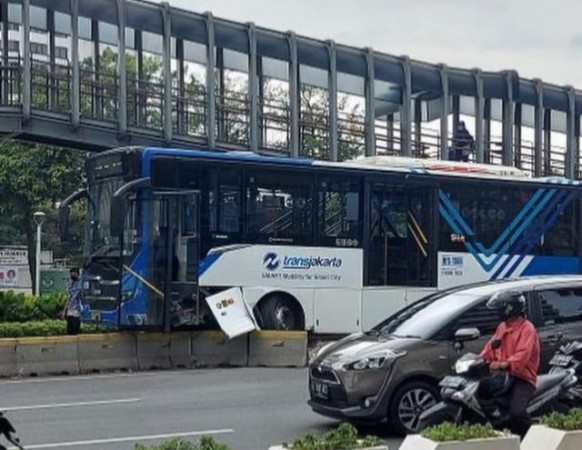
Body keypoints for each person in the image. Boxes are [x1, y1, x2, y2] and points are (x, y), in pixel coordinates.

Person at [479, 290, 540, 439]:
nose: (498, 311)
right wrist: (478, 360)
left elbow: (521, 357)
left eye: (500, 307)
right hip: (504, 376)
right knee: (479, 390)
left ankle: (534, 439)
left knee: (517, 413)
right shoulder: (503, 327)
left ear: (510, 308)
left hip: (523, 378)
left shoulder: (527, 329)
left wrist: (501, 365)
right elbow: (490, 347)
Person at [62, 267, 83, 335]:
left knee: (75, 329)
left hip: (76, 309)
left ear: (77, 274)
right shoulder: (71, 284)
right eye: (71, 274)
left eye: (74, 274)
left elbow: (79, 296)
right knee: (69, 329)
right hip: (70, 309)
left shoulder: (80, 283)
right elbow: (68, 297)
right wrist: (64, 310)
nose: (72, 276)